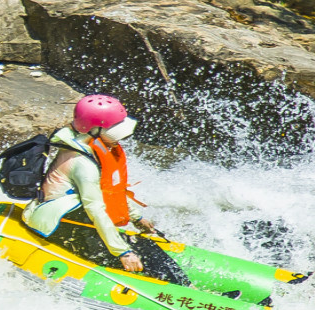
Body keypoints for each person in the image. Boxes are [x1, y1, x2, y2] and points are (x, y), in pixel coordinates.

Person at [21, 94, 190, 285]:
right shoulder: (82, 163)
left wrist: (135, 216)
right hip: (61, 225)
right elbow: (95, 208)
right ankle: (189, 293)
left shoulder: (85, 146)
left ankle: (186, 287)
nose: (120, 134)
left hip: (71, 218)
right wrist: (123, 252)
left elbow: (108, 191)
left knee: (145, 248)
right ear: (93, 129)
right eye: (113, 127)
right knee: (143, 252)